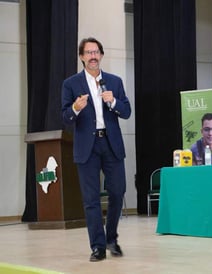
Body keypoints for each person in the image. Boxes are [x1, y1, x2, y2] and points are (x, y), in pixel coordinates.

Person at [61, 37, 131, 262]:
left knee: (117, 192)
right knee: (91, 199)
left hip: (111, 145)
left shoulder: (114, 81)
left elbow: (127, 111)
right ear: (82, 57)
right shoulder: (70, 84)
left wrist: (113, 102)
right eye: (88, 52)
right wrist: (75, 108)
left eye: (96, 52)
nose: (92, 56)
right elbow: (64, 117)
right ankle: (98, 246)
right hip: (87, 147)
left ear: (101, 55)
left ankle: (111, 238)